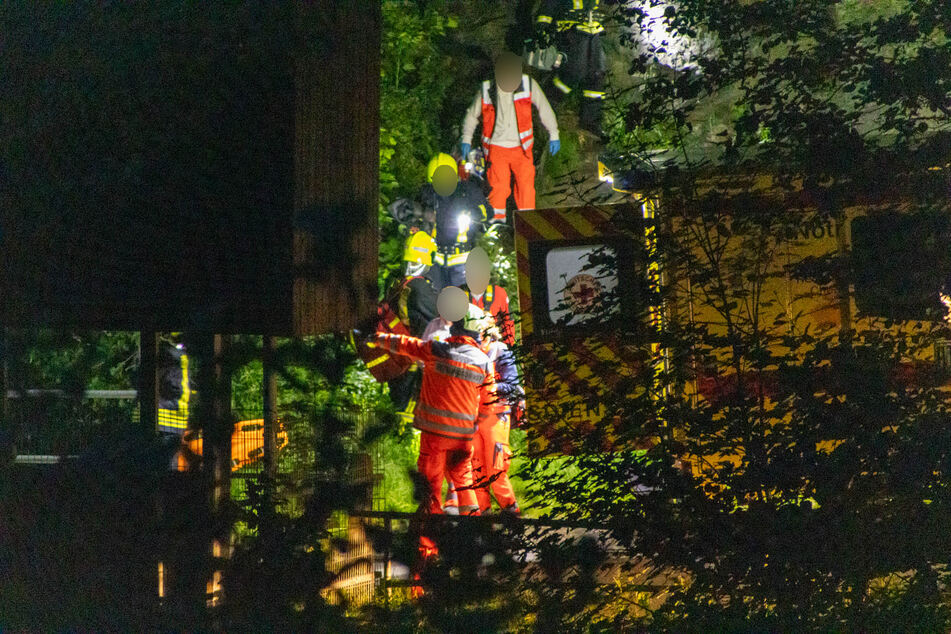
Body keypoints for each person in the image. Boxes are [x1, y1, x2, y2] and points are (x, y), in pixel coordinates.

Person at [369, 288, 495, 517]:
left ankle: (427, 549)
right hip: (463, 439)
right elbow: (488, 403)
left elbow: (406, 344)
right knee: (466, 488)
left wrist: (378, 338)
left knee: (431, 491)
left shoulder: (438, 349)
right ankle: (474, 538)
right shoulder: (485, 362)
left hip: (435, 436)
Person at [461, 51, 560, 223]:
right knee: (497, 188)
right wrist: (466, 139)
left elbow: (544, 108)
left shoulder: (528, 84)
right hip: (496, 148)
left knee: (526, 188)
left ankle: (528, 223)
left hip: (522, 149)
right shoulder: (487, 89)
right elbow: (472, 115)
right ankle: (496, 224)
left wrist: (554, 133)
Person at [469, 309, 523, 514]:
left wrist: (488, 387)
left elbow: (512, 384)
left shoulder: (500, 350)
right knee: (476, 470)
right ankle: (484, 520)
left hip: (497, 413)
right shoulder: (468, 351)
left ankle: (512, 515)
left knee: (496, 469)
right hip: (474, 415)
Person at [536, 0, 609, 136]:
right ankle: (548, 105)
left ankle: (590, 121)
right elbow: (548, 6)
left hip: (593, 32)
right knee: (573, 73)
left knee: (597, 75)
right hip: (569, 33)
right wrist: (543, 27)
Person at [421, 153, 490, 290]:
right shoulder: (427, 194)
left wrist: (474, 213)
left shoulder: (468, 191)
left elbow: (487, 213)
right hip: (435, 260)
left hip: (462, 260)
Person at [463, 246, 516, 347]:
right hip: (467, 348)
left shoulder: (499, 293)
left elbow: (508, 322)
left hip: (492, 347)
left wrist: (508, 348)